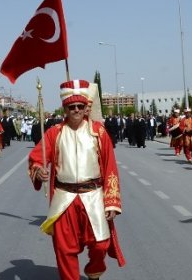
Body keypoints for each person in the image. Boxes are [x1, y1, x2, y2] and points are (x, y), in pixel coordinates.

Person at [28, 79, 125, 280]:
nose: (76, 110)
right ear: (65, 108)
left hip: (93, 196)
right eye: (72, 106)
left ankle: (93, 272)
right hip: (64, 199)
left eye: (80, 106)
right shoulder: (54, 133)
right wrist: (38, 171)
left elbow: (110, 168)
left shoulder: (98, 132)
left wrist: (112, 202)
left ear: (86, 107)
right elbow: (37, 158)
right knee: (64, 250)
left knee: (100, 244)